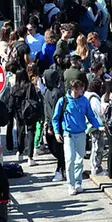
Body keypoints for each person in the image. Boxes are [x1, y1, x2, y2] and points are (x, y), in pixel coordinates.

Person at [52, 79, 103, 195]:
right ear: (74, 89)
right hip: (68, 134)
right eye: (80, 89)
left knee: (79, 160)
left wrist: (98, 126)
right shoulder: (63, 101)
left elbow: (91, 116)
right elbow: (55, 118)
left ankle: (78, 183)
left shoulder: (84, 100)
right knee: (70, 159)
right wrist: (56, 132)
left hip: (81, 134)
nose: (83, 91)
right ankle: (71, 184)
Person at [44, 53, 67, 181]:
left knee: (59, 149)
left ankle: (60, 170)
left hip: (56, 125)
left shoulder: (55, 93)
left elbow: (55, 111)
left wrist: (50, 125)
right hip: (52, 125)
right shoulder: (50, 92)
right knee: (56, 149)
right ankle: (62, 169)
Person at [12, 70, 41, 166]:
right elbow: (35, 99)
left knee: (20, 131)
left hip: (19, 112)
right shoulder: (30, 86)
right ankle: (30, 157)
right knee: (31, 132)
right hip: (29, 111)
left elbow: (12, 102)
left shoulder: (14, 88)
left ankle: (20, 152)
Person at [85, 79, 106, 176]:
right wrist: (102, 123)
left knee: (95, 146)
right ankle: (96, 168)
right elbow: (98, 112)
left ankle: (95, 166)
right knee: (98, 147)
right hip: (97, 126)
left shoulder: (86, 96)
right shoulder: (94, 99)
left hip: (91, 125)